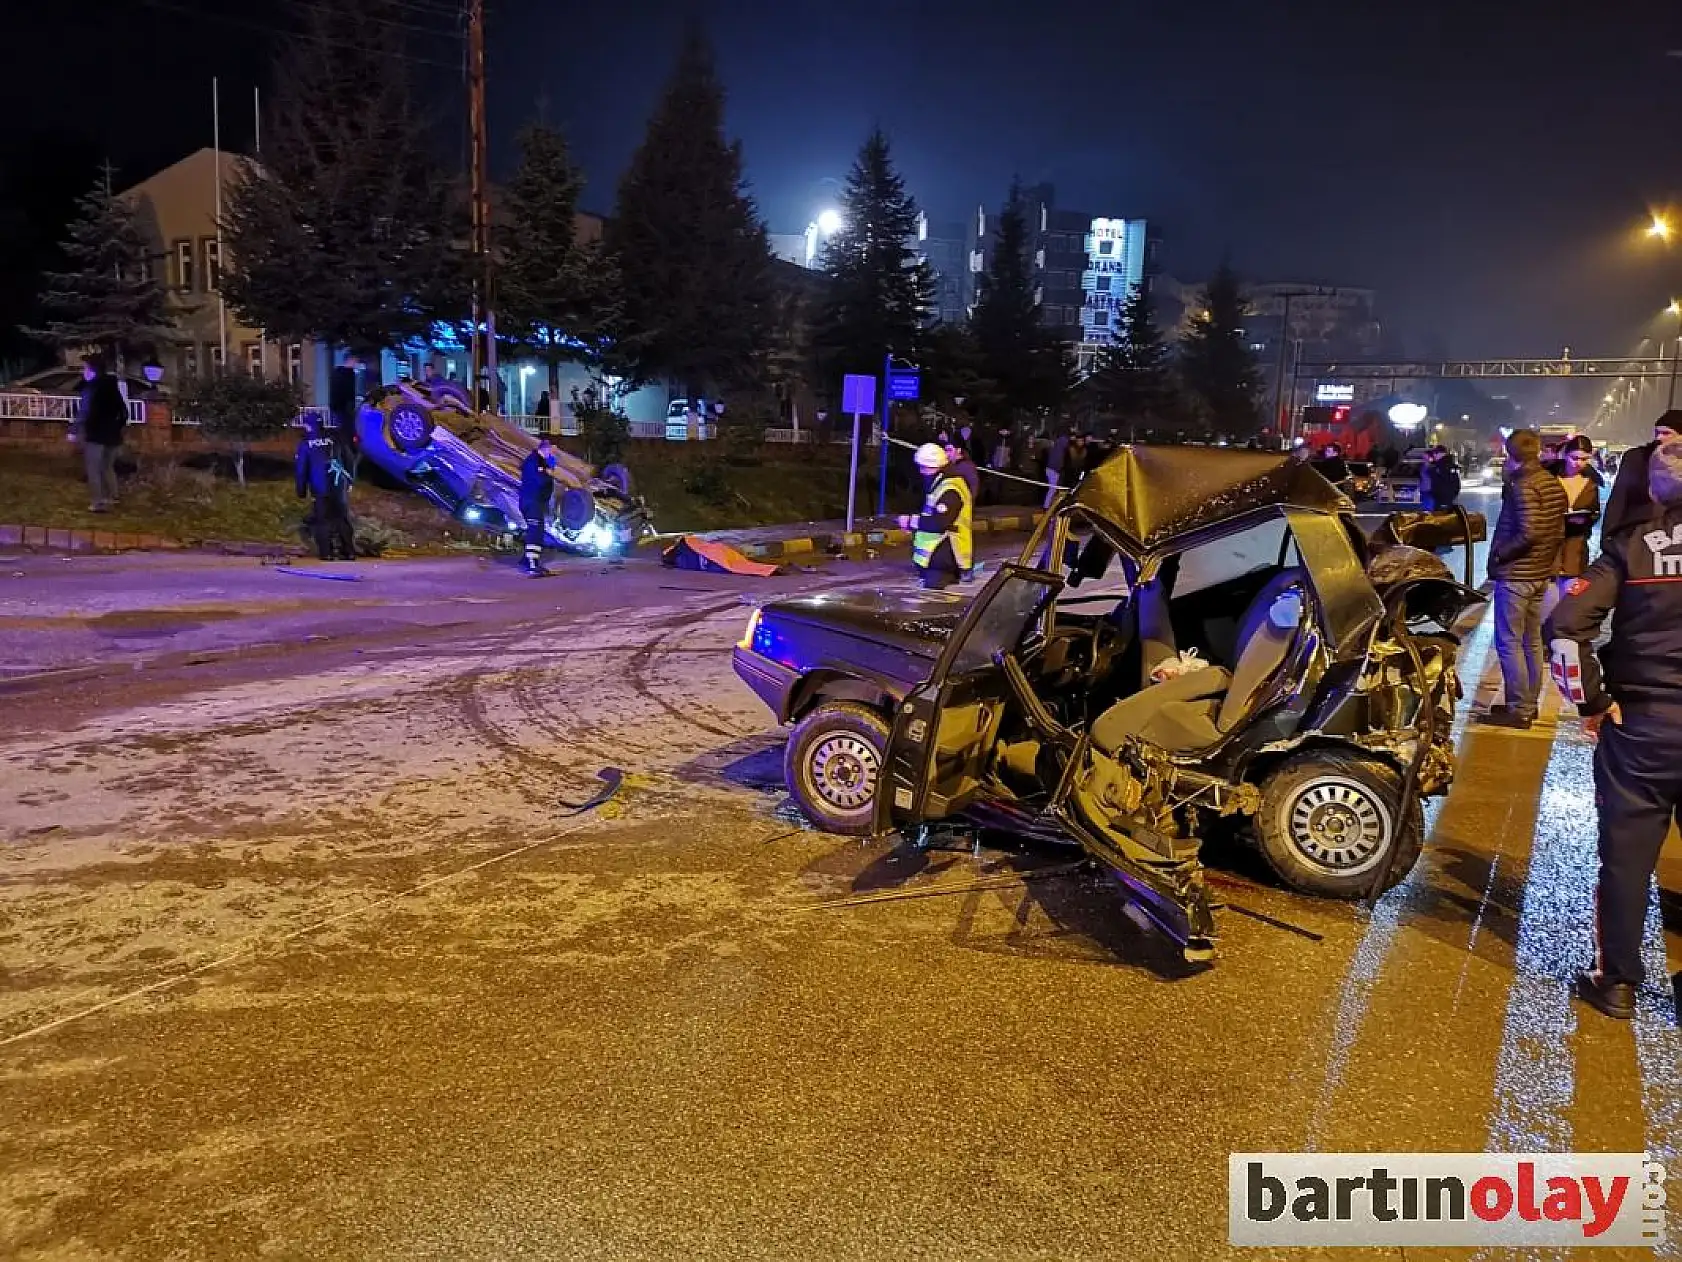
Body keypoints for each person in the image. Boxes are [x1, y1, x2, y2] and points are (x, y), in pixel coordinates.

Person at [1544, 438, 1682, 1021]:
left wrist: (1593, 702)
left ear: (1654, 488)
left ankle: (1618, 982)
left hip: (1644, 729)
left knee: (1626, 861)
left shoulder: (1630, 549)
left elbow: (1566, 627)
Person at [1484, 429, 1568, 729]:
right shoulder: (1553, 484)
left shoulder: (1523, 485)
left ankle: (1518, 708)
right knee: (1532, 641)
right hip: (1540, 574)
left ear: (1510, 453)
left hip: (1518, 574)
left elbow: (1529, 532)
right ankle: (1528, 704)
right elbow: (1558, 531)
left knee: (1508, 642)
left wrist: (1500, 556)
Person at [896, 443, 972, 590]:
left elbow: (939, 522)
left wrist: (911, 521)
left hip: (944, 556)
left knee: (935, 600)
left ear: (934, 467)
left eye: (923, 467)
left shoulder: (950, 489)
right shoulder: (940, 483)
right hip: (936, 558)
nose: (921, 471)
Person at [1546, 436, 1603, 624]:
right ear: (1565, 455)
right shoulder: (1550, 475)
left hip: (1575, 547)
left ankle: (1561, 639)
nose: (1578, 463)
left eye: (1584, 459)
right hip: (1549, 548)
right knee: (1547, 603)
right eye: (1574, 457)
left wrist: (1585, 520)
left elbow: (1595, 512)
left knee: (1569, 602)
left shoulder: (1592, 481)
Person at [1602, 412, 1681, 542]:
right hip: (1635, 534)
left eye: (1666, 433)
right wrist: (1608, 536)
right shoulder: (1636, 458)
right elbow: (1618, 499)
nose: (1659, 437)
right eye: (1657, 432)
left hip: (1673, 537)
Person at [295, 412, 354, 561]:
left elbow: (301, 469)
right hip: (338, 485)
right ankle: (349, 551)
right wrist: (350, 480)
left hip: (319, 486)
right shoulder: (335, 439)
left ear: (308, 426)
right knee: (342, 518)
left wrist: (301, 490)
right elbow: (349, 458)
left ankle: (327, 553)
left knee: (322, 520)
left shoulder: (306, 444)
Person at [75, 356, 128, 512]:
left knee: (93, 469)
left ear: (92, 370)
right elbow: (124, 412)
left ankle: (98, 502)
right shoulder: (112, 387)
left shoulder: (92, 388)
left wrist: (77, 429)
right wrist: (117, 427)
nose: (83, 371)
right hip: (112, 435)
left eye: (85, 368)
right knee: (107, 466)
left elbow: (85, 411)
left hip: (95, 435)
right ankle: (114, 496)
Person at [519, 437, 559, 577]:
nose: (553, 454)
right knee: (535, 531)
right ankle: (532, 565)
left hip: (535, 502)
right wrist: (548, 473)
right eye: (552, 451)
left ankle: (529, 560)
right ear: (546, 448)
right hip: (532, 502)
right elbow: (538, 481)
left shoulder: (538, 461)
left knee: (537, 530)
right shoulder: (533, 462)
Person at [1421, 445, 1461, 512]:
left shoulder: (1442, 466)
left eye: (1435, 453)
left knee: (1440, 518)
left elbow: (1441, 481)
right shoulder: (1447, 464)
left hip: (1441, 498)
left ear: (1441, 453)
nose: (1434, 455)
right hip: (1445, 498)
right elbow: (1456, 485)